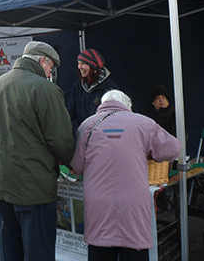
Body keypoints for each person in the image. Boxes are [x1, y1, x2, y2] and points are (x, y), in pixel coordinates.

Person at [0, 41, 75, 261]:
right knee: (38, 252)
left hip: (2, 184)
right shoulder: (46, 89)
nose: (51, 73)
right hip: (34, 188)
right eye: (51, 68)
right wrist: (76, 165)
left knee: (10, 251)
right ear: (43, 61)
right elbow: (61, 140)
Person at [71, 90, 181, 261]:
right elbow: (174, 148)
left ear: (102, 104)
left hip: (98, 205)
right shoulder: (143, 123)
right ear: (127, 105)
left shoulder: (86, 125)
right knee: (133, 250)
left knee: (100, 251)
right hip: (133, 204)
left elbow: (77, 166)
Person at [66, 48, 118, 135]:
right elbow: (70, 111)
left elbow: (114, 117)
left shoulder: (110, 87)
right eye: (79, 63)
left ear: (94, 67)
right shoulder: (78, 86)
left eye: (83, 64)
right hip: (83, 134)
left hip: (102, 136)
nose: (79, 67)